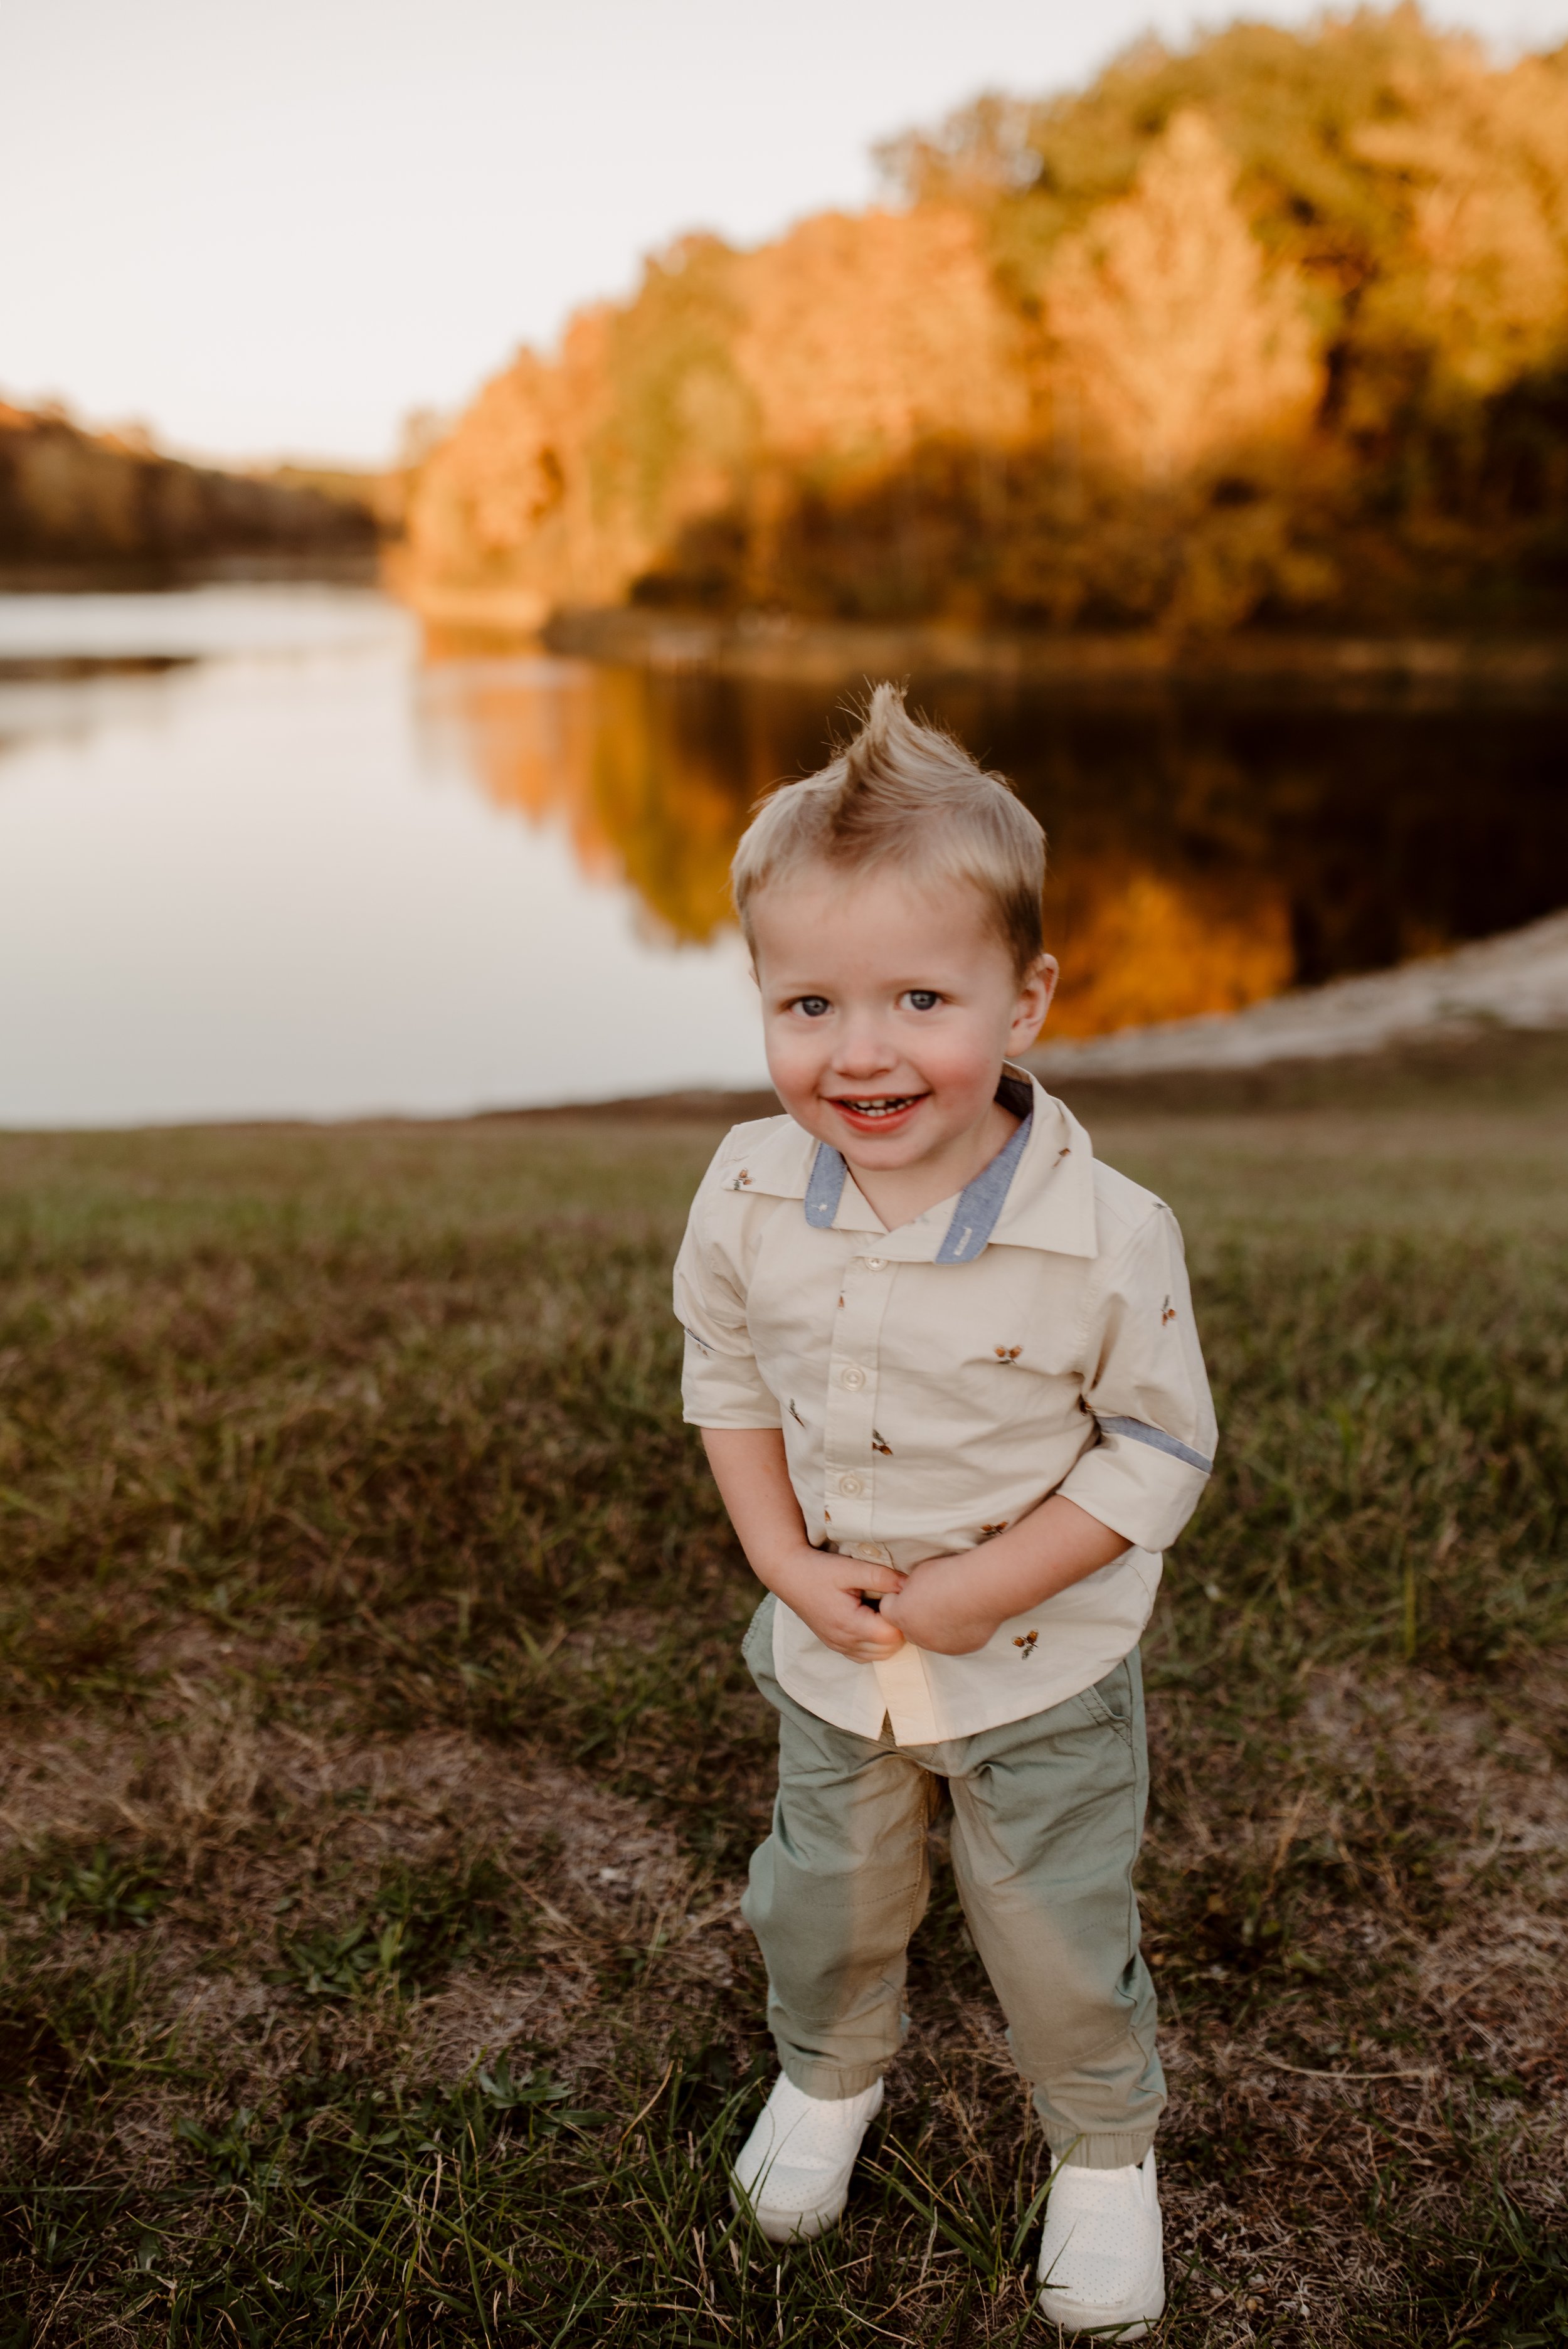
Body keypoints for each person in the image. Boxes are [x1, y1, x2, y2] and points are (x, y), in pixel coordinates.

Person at [672, 684, 1216, 2337]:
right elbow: (729, 1377)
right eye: (808, 1000)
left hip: (1033, 1661)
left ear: (1027, 997)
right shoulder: (747, 1189)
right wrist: (775, 1555)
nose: (860, 1050)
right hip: (834, 1654)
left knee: (1050, 1920)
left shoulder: (1108, 1232)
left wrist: (989, 1581)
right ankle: (830, 2072)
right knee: (821, 1891)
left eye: (921, 996)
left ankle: (1102, 2147)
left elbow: (1153, 1450)